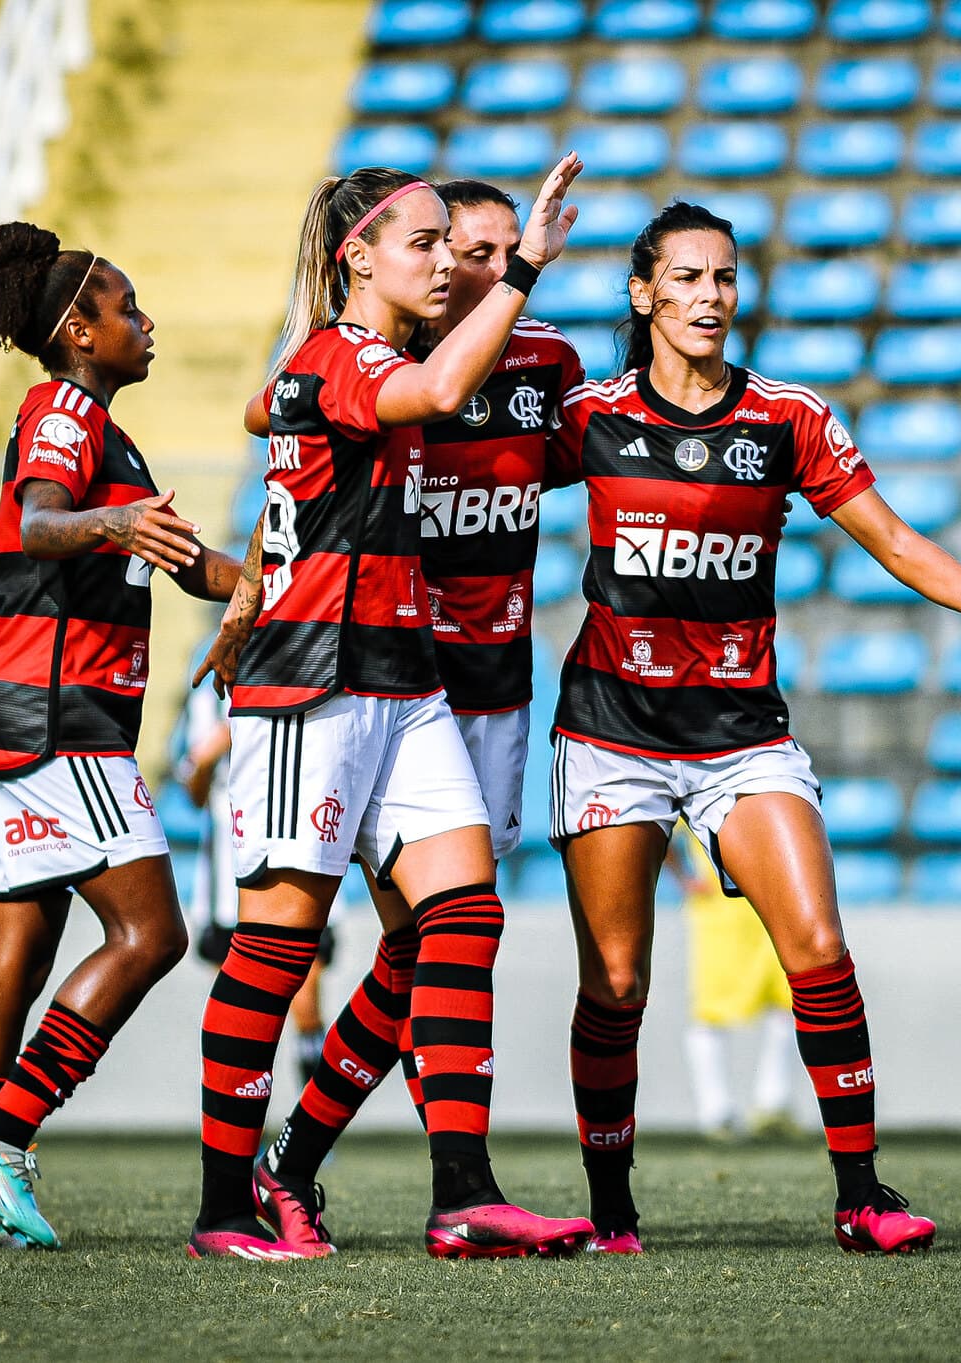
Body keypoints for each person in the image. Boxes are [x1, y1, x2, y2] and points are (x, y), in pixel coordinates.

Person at [544, 201, 961, 1255]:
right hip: (609, 734)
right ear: (642, 294)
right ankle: (611, 1209)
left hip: (741, 737)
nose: (708, 295)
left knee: (816, 948)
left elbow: (888, 534)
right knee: (616, 983)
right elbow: (468, 470)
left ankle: (861, 1195)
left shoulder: (785, 418)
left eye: (723, 276)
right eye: (685, 277)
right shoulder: (588, 414)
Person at [185, 159, 595, 1261]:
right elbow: (431, 395)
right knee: (275, 949)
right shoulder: (343, 359)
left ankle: (462, 1190)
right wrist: (529, 272)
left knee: (463, 915)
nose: (448, 261)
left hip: (401, 681)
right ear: (359, 257)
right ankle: (226, 1205)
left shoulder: (362, 355)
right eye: (425, 243)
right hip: (308, 683)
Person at [0, 223, 245, 1250]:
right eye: (128, 308)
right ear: (78, 330)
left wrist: (283, 590)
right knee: (150, 933)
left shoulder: (100, 426)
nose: (145, 323)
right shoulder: (67, 410)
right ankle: (3, 1134)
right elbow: (39, 520)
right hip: (57, 719)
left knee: (6, 975)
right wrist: (112, 525)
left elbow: (187, 558)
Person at [176, 674, 333, 1080]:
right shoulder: (208, 693)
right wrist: (204, 757)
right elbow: (193, 790)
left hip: (299, 857)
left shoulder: (307, 663)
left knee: (306, 1000)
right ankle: (236, 1134)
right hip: (229, 879)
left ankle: (312, 1132)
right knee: (236, 1014)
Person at [670, 821, 801, 1139]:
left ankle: (774, 1103)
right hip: (720, 912)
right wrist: (685, 880)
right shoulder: (695, 777)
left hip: (772, 903)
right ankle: (716, 1112)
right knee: (711, 1010)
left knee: (788, 1000)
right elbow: (658, 831)